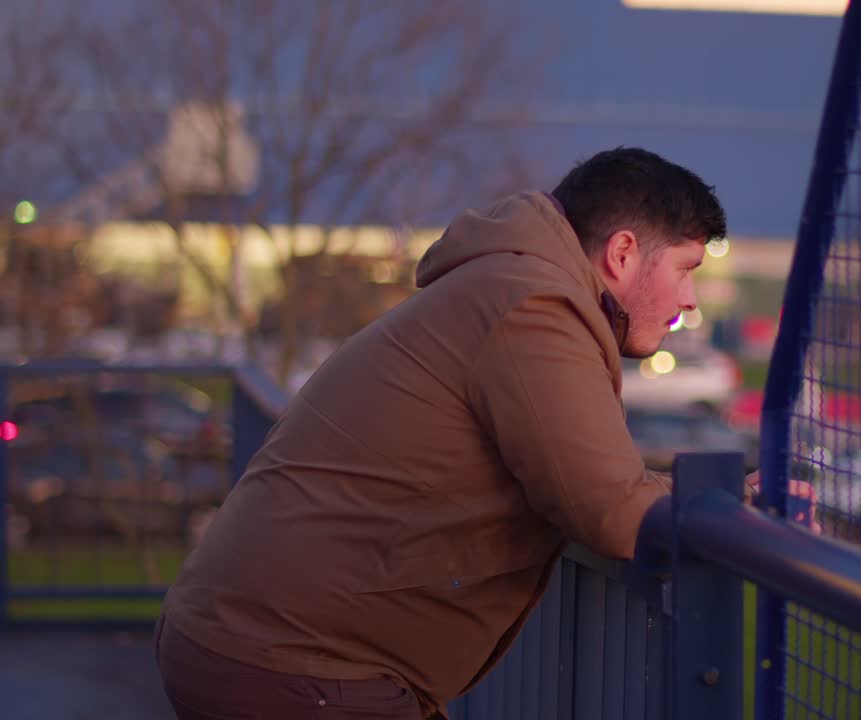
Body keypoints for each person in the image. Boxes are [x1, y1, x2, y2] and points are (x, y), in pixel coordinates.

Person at [155, 147, 791, 719]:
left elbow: (590, 476)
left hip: (268, 647)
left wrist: (727, 502)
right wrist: (729, 514)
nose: (691, 301)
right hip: (298, 668)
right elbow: (607, 507)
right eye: (685, 269)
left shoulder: (507, 284)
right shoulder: (534, 307)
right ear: (622, 253)